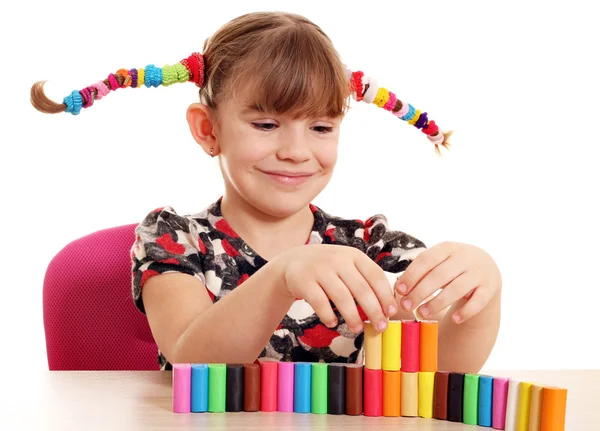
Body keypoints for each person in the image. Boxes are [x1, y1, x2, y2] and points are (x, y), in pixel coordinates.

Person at [30, 11, 501, 373]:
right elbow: (191, 359)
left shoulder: (373, 248)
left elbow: (442, 373)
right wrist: (282, 276)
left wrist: (481, 296)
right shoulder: (174, 239)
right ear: (208, 129)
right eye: (267, 124)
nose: (296, 151)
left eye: (320, 126)